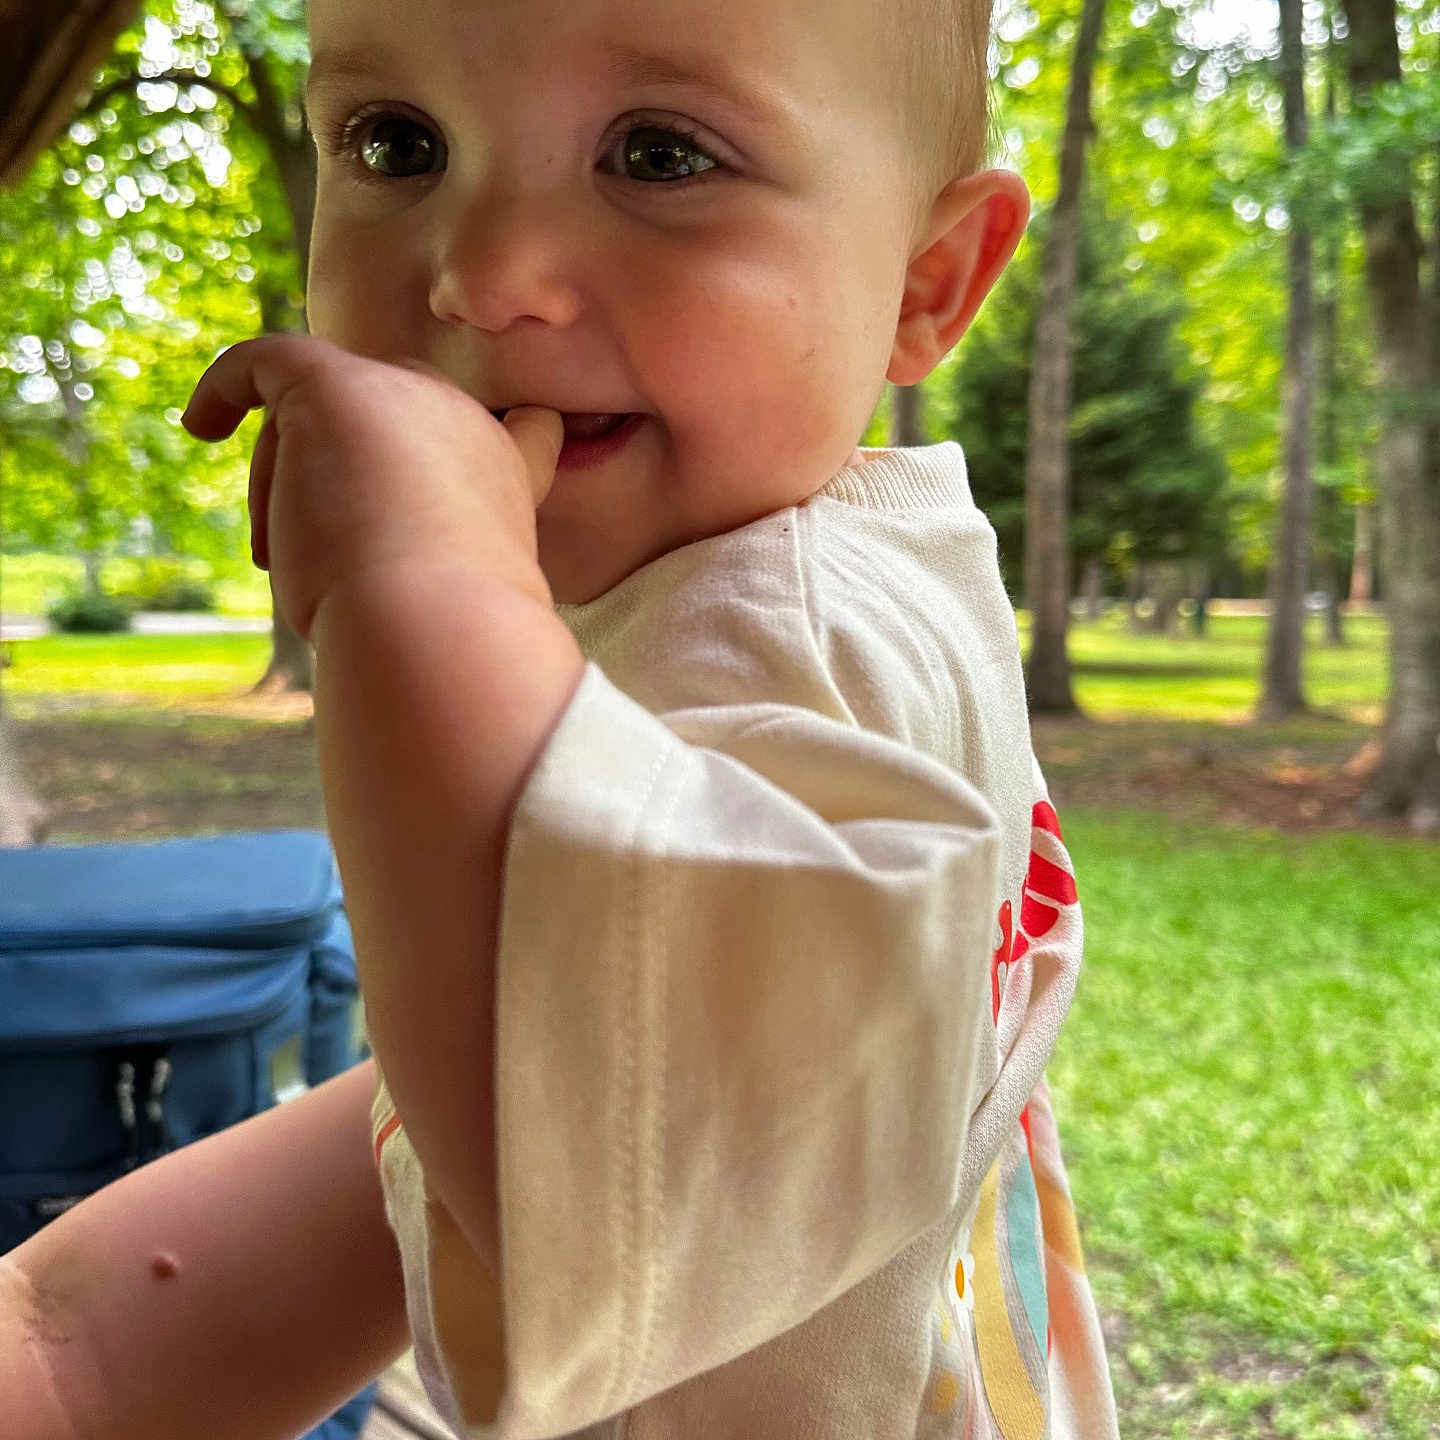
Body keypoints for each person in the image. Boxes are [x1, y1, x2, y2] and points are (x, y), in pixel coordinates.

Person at [2, 0, 1121, 1433]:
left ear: (927, 281)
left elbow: (590, 1175)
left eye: (660, 155)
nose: (482, 277)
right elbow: (557, 1055)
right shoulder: (877, 562)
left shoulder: (775, 635)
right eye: (395, 143)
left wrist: (420, 583)